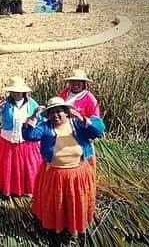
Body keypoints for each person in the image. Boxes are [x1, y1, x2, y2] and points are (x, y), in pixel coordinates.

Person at [22, 97, 105, 246]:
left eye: (59, 111)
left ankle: (74, 229)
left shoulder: (77, 125)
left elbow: (98, 131)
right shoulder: (46, 127)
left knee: (76, 201)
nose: (56, 115)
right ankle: (54, 231)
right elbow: (28, 135)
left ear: (67, 112)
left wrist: (80, 117)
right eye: (52, 112)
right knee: (56, 204)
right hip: (54, 174)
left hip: (77, 174)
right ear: (48, 116)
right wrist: (33, 117)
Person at [0, 76, 42, 197]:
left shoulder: (31, 103)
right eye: (13, 91)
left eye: (18, 91)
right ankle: (9, 190)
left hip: (26, 143)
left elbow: (40, 118)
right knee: (8, 167)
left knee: (27, 167)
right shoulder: (5, 103)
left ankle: (27, 189)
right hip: (8, 142)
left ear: (24, 91)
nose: (16, 93)